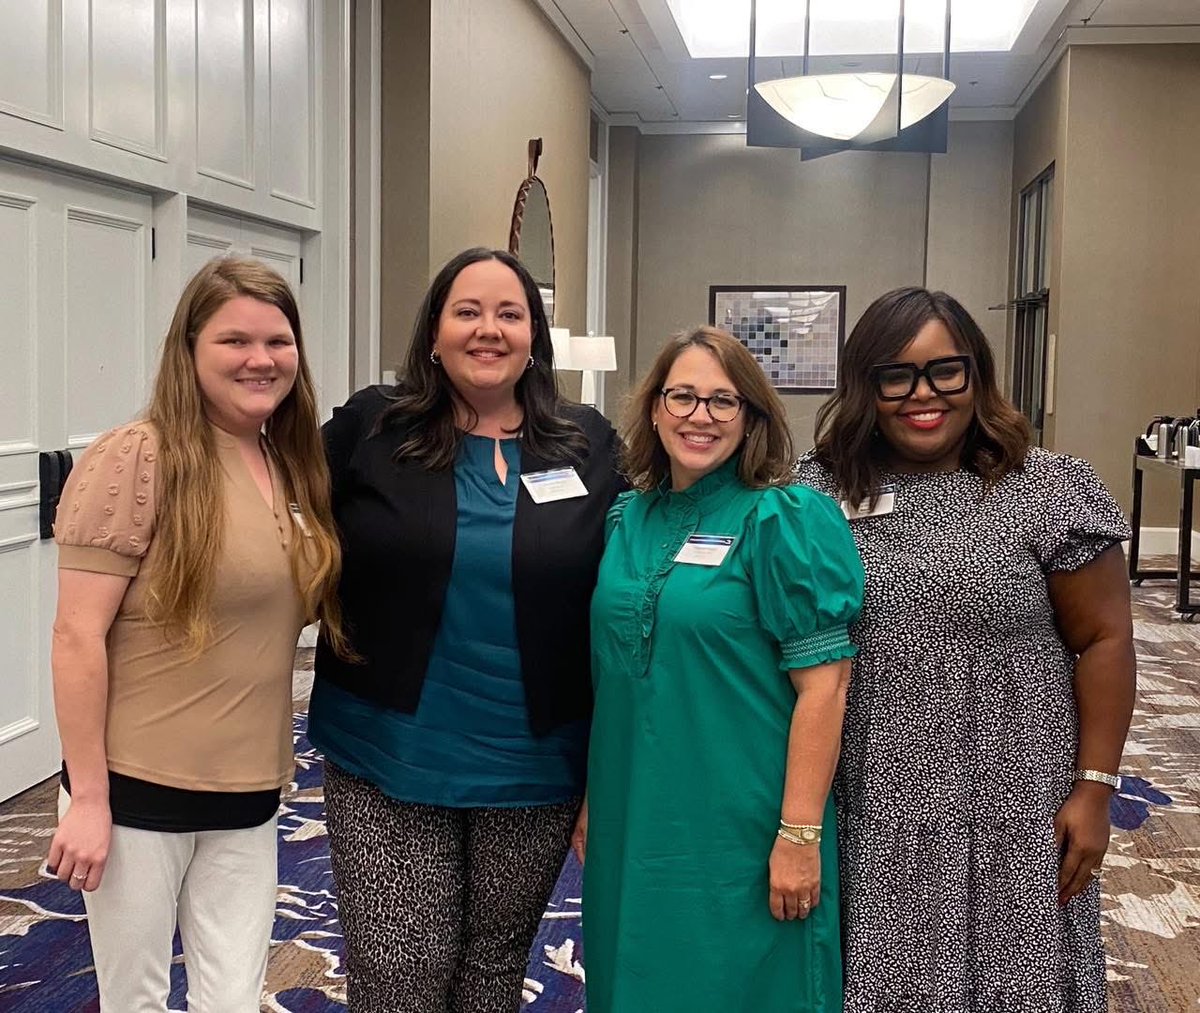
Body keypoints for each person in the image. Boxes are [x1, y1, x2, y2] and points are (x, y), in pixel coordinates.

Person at [794, 287, 1135, 1012]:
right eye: (898, 374)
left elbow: (1105, 638)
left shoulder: (1045, 488)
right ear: (865, 385)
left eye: (946, 371)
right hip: (873, 796)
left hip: (1016, 800)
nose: (925, 395)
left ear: (976, 375)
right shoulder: (814, 491)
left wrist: (1097, 786)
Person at [309, 247, 624, 1013]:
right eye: (468, 312)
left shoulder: (587, 442)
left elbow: (642, 554)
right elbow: (262, 497)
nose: (489, 330)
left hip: (538, 760)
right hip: (391, 751)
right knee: (400, 979)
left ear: (534, 335)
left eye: (509, 314)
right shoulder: (371, 427)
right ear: (435, 334)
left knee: (491, 972)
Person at [48, 256, 345, 1011]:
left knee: (233, 999)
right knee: (138, 1000)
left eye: (278, 341)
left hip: (250, 790)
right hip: (135, 791)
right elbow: (77, 635)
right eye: (234, 340)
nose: (260, 359)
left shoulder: (288, 461)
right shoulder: (139, 456)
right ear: (189, 349)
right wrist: (88, 797)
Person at [582, 326, 864, 1012]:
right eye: (682, 396)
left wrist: (799, 834)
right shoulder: (628, 516)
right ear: (654, 408)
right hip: (633, 808)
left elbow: (825, 686)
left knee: (739, 982)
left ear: (752, 418)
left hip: (743, 817)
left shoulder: (782, 519)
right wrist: (595, 796)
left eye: (722, 401)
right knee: (635, 971)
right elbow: (613, 676)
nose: (699, 416)